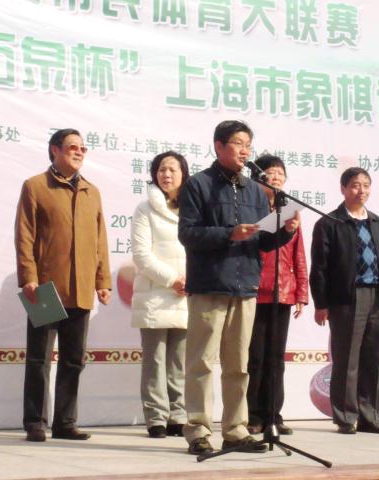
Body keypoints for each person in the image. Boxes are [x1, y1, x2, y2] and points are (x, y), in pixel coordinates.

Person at [178, 120, 300, 455]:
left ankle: (235, 430)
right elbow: (187, 234)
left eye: (248, 144)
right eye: (238, 143)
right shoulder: (198, 184)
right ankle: (198, 430)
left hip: (245, 286)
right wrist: (229, 234)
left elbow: (263, 241)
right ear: (218, 146)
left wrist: (285, 231)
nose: (245, 151)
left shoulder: (254, 190)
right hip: (209, 285)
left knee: (239, 366)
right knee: (202, 363)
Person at [15, 128, 112, 442]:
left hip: (81, 287)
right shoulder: (35, 186)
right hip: (44, 287)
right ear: (54, 150)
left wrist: (102, 281)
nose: (79, 152)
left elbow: (100, 241)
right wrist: (29, 277)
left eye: (83, 148)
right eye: (72, 147)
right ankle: (35, 422)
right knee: (39, 359)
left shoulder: (91, 191)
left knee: (73, 360)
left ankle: (65, 423)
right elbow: (25, 236)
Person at [310, 167, 379, 435]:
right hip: (345, 300)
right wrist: (321, 304)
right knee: (347, 359)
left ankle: (370, 417)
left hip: (377, 298)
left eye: (366, 185)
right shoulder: (330, 223)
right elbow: (320, 268)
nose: (362, 191)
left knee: (373, 358)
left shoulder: (378, 224)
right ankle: (346, 417)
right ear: (343, 189)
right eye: (356, 185)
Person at [246, 155, 308, 436]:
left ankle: (274, 415)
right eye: (270, 173)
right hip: (255, 292)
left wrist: (301, 292)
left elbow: (299, 255)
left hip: (282, 293)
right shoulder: (251, 207)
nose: (276, 178)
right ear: (259, 178)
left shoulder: (290, 210)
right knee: (255, 358)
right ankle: (253, 415)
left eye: (281, 174)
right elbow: (256, 242)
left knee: (276, 359)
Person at [130, 151, 189, 439]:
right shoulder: (145, 209)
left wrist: (191, 280)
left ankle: (178, 416)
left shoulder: (194, 208)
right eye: (161, 169)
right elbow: (141, 255)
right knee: (155, 360)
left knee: (179, 361)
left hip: (187, 294)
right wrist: (172, 280)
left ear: (183, 174)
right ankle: (156, 417)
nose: (166, 174)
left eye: (172, 169)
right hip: (155, 294)